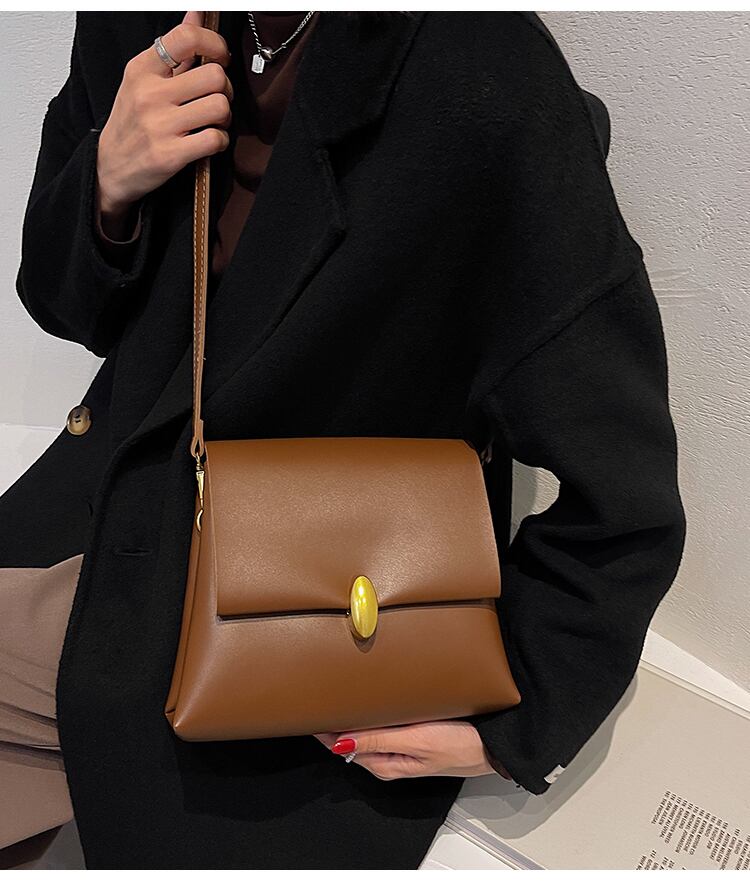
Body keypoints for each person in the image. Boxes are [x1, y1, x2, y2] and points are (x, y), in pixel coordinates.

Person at [0, 10, 686, 870]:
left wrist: (522, 708)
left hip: (309, 616)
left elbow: (623, 486)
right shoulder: (139, 26)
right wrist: (107, 185)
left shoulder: (478, 68)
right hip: (108, 515)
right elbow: (69, 309)